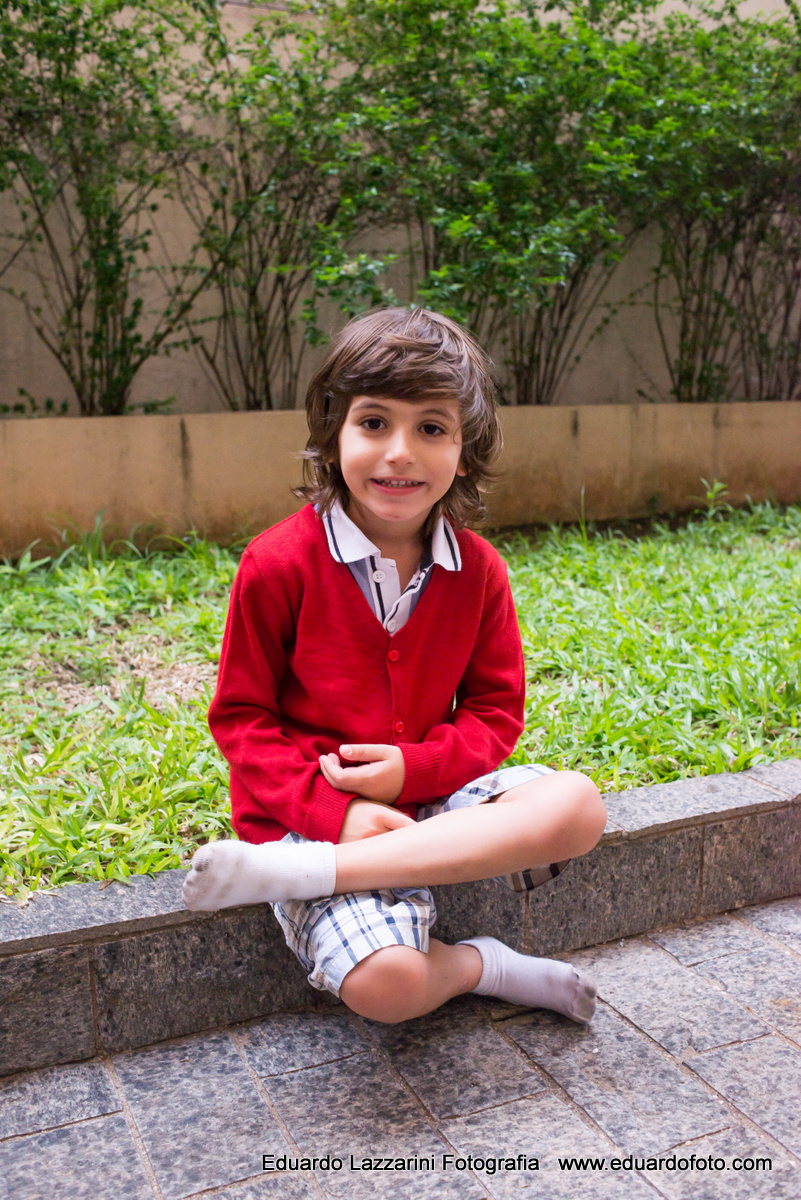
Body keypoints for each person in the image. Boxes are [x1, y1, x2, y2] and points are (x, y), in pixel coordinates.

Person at [182, 306, 607, 1025]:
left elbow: (494, 714)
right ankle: (481, 964)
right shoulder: (277, 564)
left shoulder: (478, 572)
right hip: (308, 816)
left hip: (428, 801)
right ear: (332, 436)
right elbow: (242, 721)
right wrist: (336, 814)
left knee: (577, 806)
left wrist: (411, 773)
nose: (399, 452)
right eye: (373, 423)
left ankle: (315, 881)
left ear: (464, 451)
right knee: (391, 989)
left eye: (431, 428)